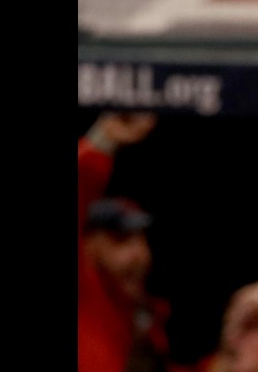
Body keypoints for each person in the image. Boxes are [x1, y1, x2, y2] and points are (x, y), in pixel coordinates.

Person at [78, 111, 174, 372]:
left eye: (141, 240)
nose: (139, 254)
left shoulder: (146, 322)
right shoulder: (86, 299)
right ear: (86, 246)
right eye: (120, 240)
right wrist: (103, 139)